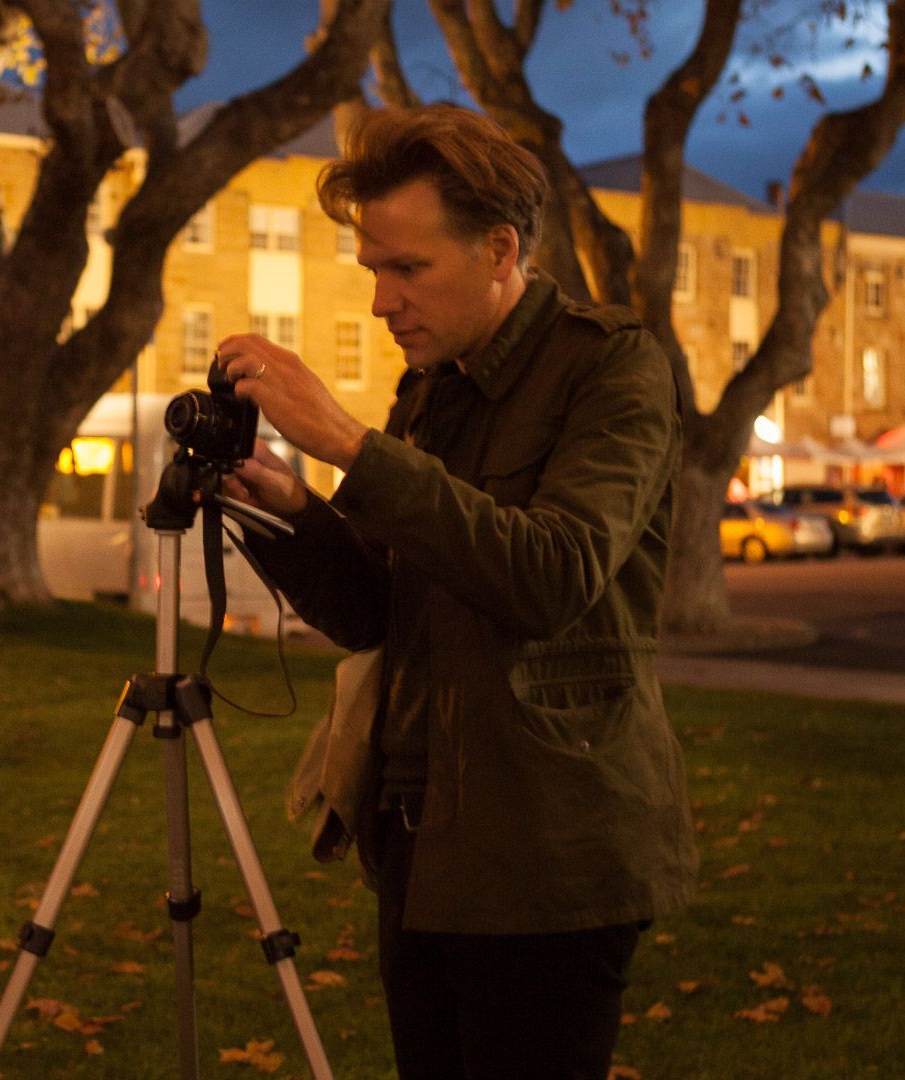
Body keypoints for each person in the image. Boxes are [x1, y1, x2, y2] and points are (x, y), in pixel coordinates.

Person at [215, 105, 697, 1080]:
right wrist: (288, 509)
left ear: (500, 250)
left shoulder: (610, 367)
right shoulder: (431, 389)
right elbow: (371, 612)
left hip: (548, 849)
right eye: (373, 270)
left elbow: (552, 575)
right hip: (419, 843)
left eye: (408, 268)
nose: (382, 302)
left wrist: (349, 443)